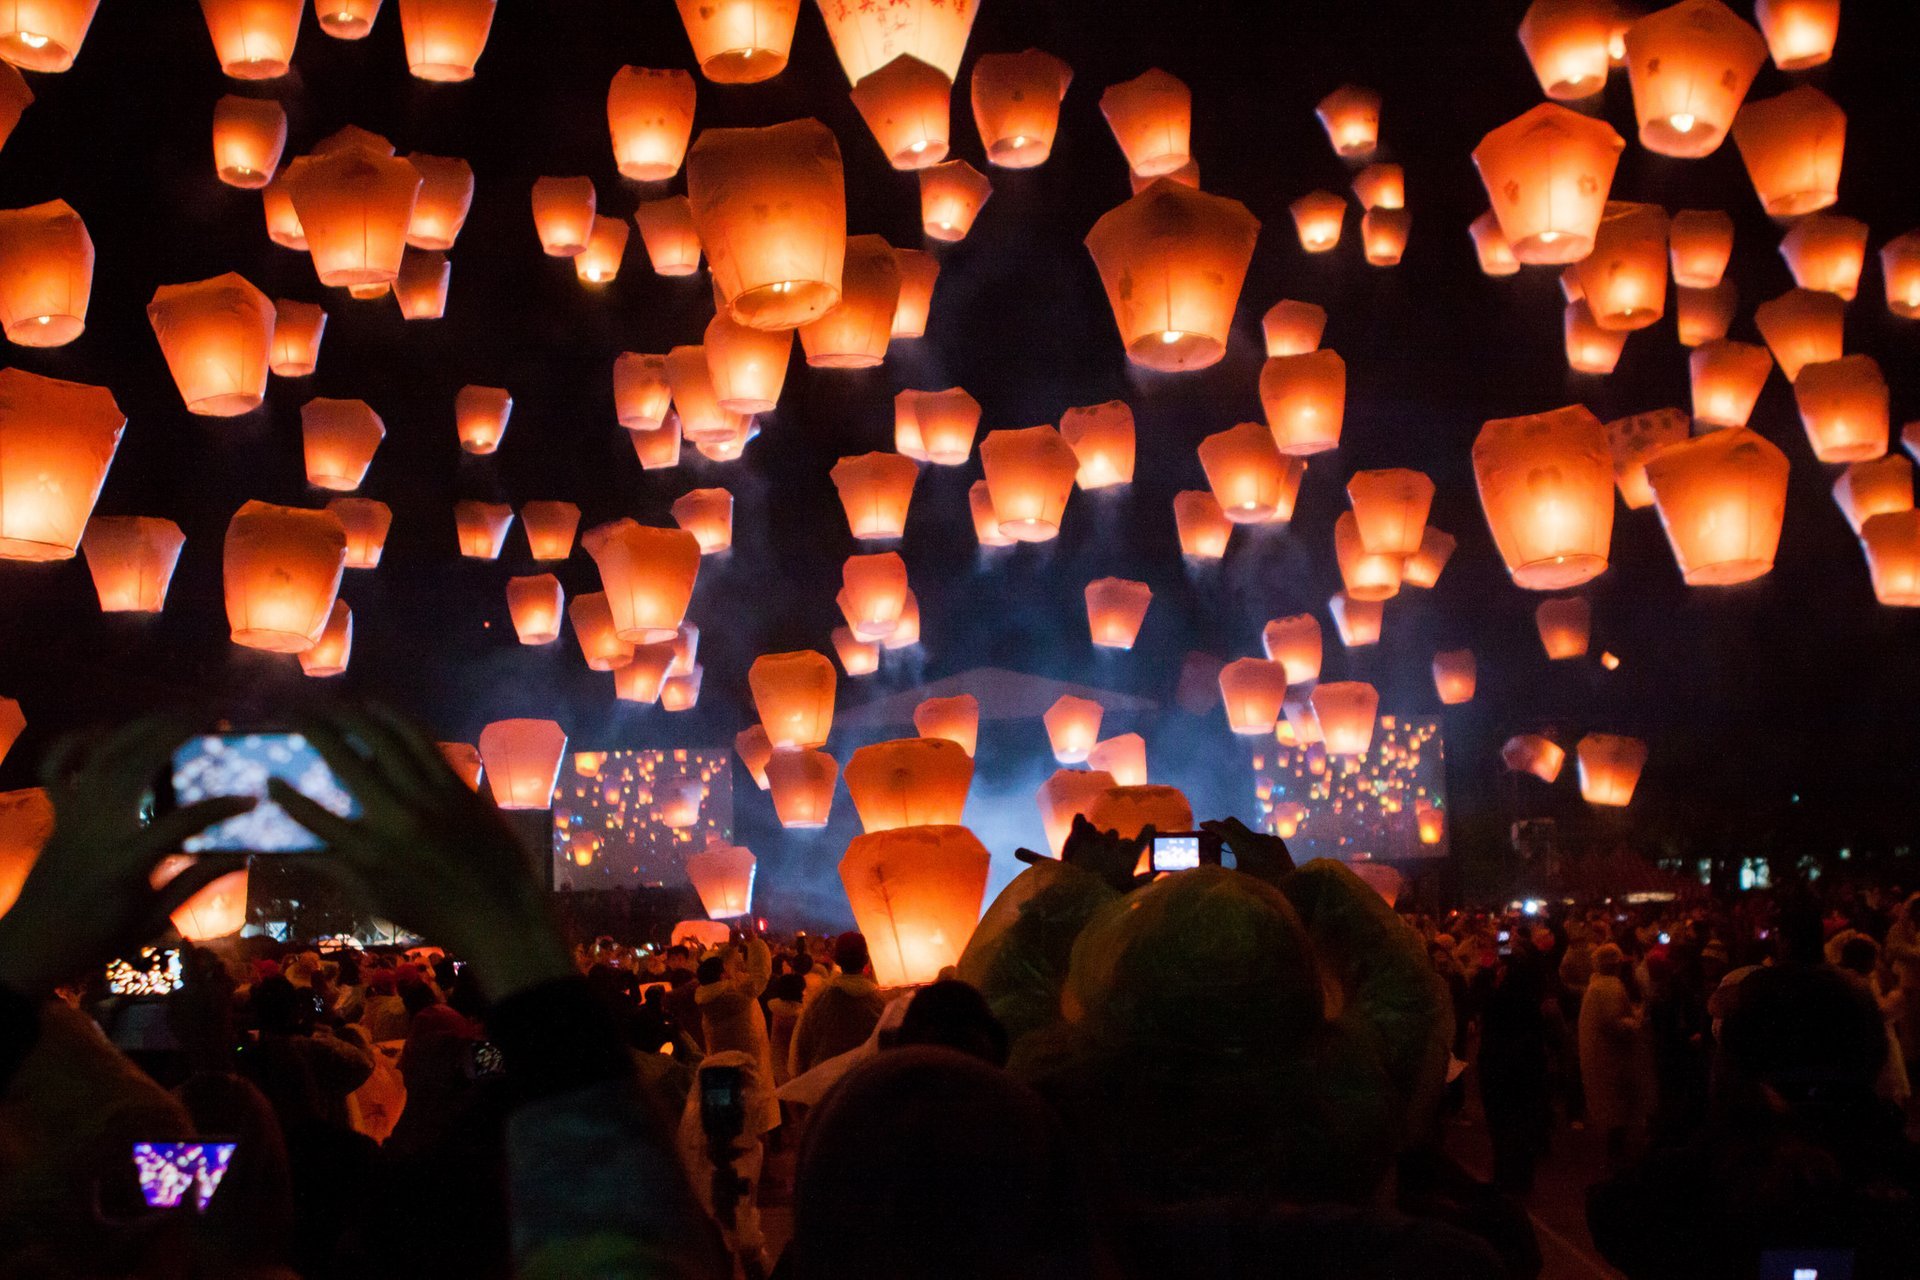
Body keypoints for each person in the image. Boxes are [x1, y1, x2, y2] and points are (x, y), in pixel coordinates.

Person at [1577, 943, 1652, 1170]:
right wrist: (1636, 1021)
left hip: (1601, 1053)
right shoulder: (1608, 987)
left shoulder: (1597, 984)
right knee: (1616, 1103)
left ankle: (1616, 1148)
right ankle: (1617, 1154)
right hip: (1611, 1056)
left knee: (1611, 1102)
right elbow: (1613, 1022)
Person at [787, 934, 885, 1078]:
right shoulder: (880, 1001)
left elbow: (802, 1045)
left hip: (828, 1083)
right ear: (865, 959)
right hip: (868, 1081)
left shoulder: (821, 998)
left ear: (837, 958)